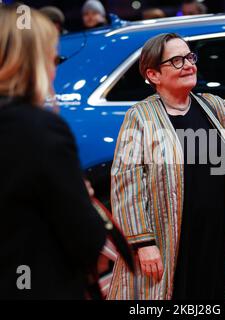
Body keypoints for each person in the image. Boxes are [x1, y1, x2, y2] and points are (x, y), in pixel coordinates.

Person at [108, 33, 225, 300]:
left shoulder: (213, 105)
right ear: (154, 74)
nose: (189, 64)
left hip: (218, 234)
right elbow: (127, 183)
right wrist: (143, 243)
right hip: (170, 238)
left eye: (190, 57)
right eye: (177, 60)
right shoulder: (140, 117)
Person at [0, 5, 107, 299]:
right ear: (34, 61)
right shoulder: (39, 129)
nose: (55, 66)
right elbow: (87, 239)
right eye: (53, 57)